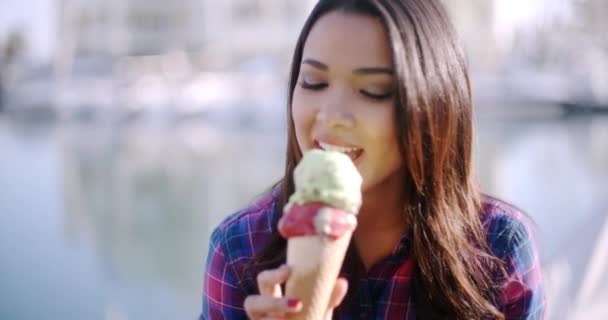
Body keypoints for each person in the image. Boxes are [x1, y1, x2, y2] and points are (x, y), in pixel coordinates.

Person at [200, 0, 545, 319]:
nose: (332, 114)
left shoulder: (499, 246)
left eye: (373, 90)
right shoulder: (240, 250)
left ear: (434, 105)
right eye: (313, 82)